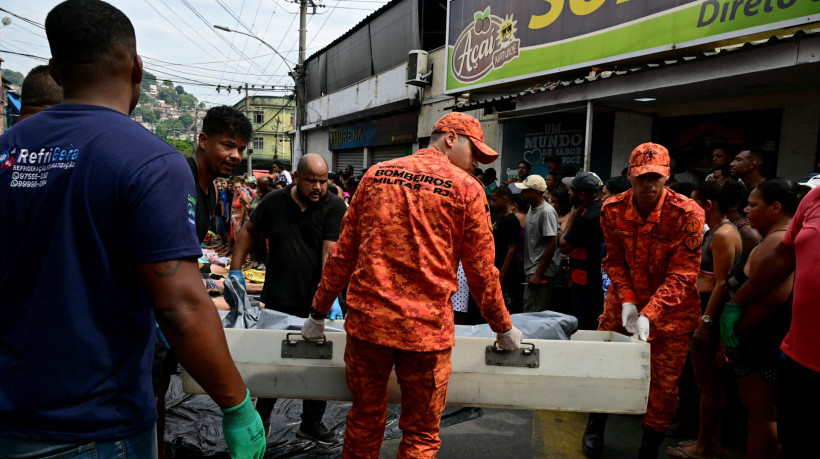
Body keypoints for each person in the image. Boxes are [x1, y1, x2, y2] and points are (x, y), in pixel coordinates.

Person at [0, 2, 265, 458]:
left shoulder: (7, 149)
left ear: (56, 69)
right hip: (95, 427)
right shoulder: (150, 160)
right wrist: (237, 404)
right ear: (137, 67)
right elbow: (180, 305)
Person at [301, 112, 522, 458]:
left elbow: (343, 253)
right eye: (474, 152)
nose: (476, 162)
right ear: (450, 138)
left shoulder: (375, 175)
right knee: (420, 433)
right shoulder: (466, 189)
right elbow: (481, 271)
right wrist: (503, 327)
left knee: (364, 421)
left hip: (367, 326)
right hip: (425, 335)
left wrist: (317, 312)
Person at [582, 143, 704, 459]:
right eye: (641, 177)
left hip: (671, 316)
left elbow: (683, 273)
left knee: (663, 388)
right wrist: (628, 301)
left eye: (655, 177)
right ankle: (595, 427)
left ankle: (648, 448)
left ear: (667, 176)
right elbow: (614, 260)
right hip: (621, 308)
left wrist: (649, 313)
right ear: (630, 175)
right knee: (606, 369)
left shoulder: (688, 213)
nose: (648, 184)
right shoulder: (612, 209)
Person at [153, 104, 251, 457]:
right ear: (204, 140)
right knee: (148, 393)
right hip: (153, 308)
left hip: (168, 305)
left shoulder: (209, 190)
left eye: (240, 148)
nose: (235, 155)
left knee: (160, 388)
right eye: (227, 145)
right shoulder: (180, 175)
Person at [229, 153, 347, 443]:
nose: (319, 187)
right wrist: (235, 272)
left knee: (319, 362)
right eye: (312, 181)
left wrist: (327, 299)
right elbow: (247, 232)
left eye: (323, 181)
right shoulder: (274, 202)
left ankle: (311, 423)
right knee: (273, 360)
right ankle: (262, 419)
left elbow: (328, 254)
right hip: (279, 295)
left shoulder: (333, 206)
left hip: (317, 301)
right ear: (296, 177)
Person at [721, 179, 811, 459]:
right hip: (755, 340)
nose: (746, 210)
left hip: (761, 342)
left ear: (775, 208)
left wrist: (735, 333)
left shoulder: (777, 241)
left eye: (753, 204)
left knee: (762, 415)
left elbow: (774, 296)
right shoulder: (773, 239)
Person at [667, 180, 742, 459]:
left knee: (707, 386)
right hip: (702, 313)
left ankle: (703, 448)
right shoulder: (713, 232)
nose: (688, 209)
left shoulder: (723, 234)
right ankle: (711, 442)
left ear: (708, 205)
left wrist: (705, 322)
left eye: (693, 203)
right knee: (711, 386)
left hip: (710, 316)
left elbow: (722, 284)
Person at [559, 172, 605, 330]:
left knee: (582, 323)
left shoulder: (588, 216)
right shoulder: (594, 209)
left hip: (587, 281)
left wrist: (571, 218)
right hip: (586, 276)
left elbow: (564, 246)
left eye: (572, 190)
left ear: (582, 194)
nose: (569, 193)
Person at [517, 174, 560, 312]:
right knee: (529, 307)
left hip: (541, 270)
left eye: (526, 191)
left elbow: (551, 243)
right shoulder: (532, 207)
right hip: (532, 268)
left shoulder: (546, 212)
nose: (522, 194)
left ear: (537, 192)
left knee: (534, 312)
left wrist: (538, 274)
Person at [490, 186, 523, 312]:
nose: (493, 204)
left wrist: (502, 273)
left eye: (495, 200)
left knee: (504, 304)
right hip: (496, 264)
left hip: (506, 270)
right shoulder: (499, 217)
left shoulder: (512, 220)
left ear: (504, 199)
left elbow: (512, 249)